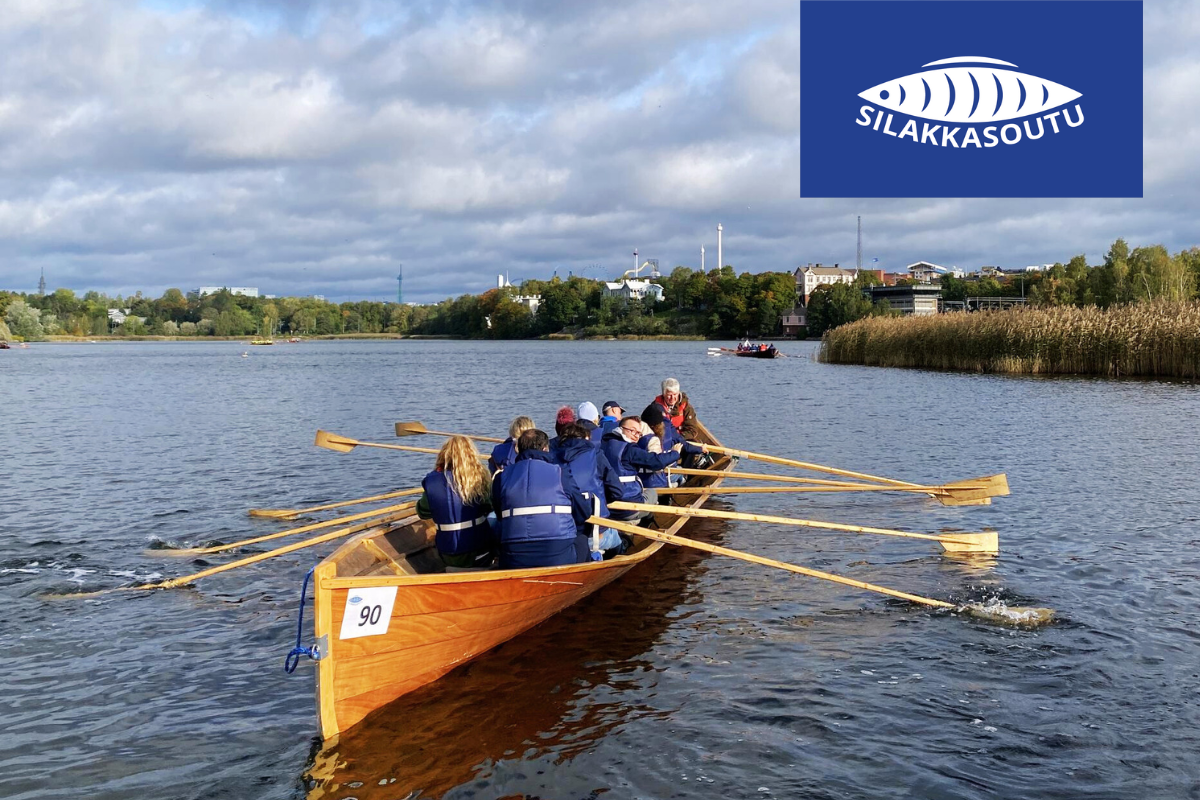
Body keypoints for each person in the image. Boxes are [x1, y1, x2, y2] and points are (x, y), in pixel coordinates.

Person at [493, 428, 588, 568]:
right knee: (582, 540)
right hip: (557, 554)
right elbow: (583, 512)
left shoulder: (501, 477)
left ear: (518, 450)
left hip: (514, 557)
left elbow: (500, 515)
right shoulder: (560, 472)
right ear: (545, 448)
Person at [418, 435, 497, 568]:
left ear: (444, 455)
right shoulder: (479, 477)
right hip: (479, 551)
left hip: (447, 553)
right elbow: (490, 505)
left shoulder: (431, 481)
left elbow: (422, 512)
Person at [555, 422, 627, 558]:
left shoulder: (551, 458)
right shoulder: (596, 455)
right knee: (619, 541)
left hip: (561, 533)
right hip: (594, 532)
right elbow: (618, 491)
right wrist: (601, 499)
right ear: (586, 438)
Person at [600, 415, 684, 519]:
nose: (636, 436)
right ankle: (645, 523)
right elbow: (656, 462)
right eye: (632, 431)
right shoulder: (629, 449)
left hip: (606, 503)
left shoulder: (603, 444)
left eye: (639, 434)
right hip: (627, 507)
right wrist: (675, 453)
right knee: (652, 493)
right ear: (621, 429)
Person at [638, 404, 706, 491]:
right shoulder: (663, 429)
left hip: (640, 479)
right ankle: (675, 488)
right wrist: (700, 449)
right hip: (658, 479)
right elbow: (683, 445)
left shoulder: (634, 433)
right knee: (681, 473)